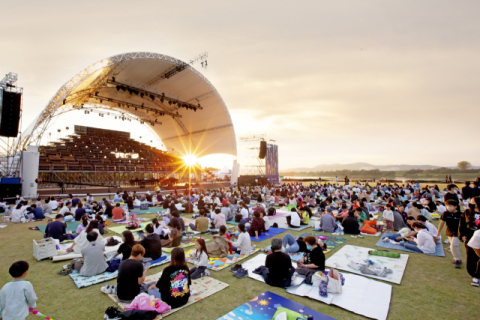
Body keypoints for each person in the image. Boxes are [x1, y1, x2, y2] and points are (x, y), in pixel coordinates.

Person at [458, 197, 480, 286]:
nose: (470, 203)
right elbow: (461, 225)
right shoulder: (467, 212)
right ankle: (474, 274)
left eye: (472, 201)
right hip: (470, 236)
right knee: (471, 256)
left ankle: (477, 275)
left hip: (479, 235)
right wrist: (462, 235)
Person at [436, 200, 462, 268]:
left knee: (454, 245)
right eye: (447, 206)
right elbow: (442, 222)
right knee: (452, 246)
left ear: (455, 207)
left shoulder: (460, 214)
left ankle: (458, 260)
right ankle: (456, 258)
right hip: (449, 232)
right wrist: (438, 232)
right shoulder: (445, 213)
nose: (448, 207)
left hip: (458, 233)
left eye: (450, 206)